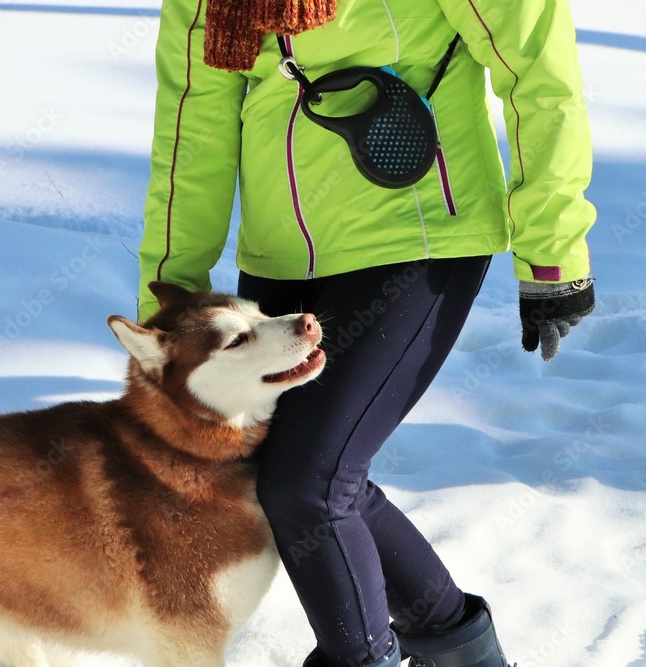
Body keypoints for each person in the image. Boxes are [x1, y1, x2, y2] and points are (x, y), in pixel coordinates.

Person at [136, 0, 596, 665]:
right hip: (281, 256)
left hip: (421, 237)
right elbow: (191, 133)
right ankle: (458, 647)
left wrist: (553, 251)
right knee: (278, 471)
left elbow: (538, 67)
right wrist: (169, 303)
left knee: (310, 483)